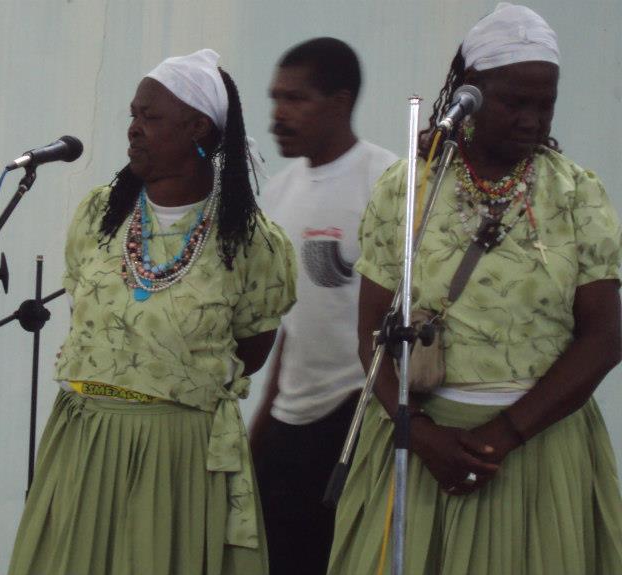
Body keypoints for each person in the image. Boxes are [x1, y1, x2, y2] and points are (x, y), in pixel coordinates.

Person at [328, 4, 622, 574]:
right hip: (420, 448)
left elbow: (604, 338)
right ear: (472, 91)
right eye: (515, 102)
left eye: (545, 103)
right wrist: (420, 435)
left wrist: (504, 435)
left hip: (537, 452)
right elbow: (372, 337)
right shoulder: (408, 188)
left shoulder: (576, 195)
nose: (532, 119)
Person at [7, 49, 297, 575]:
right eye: (133, 115)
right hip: (87, 439)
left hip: (177, 454)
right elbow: (86, 312)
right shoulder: (99, 213)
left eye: (150, 117)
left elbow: (252, 349)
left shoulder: (251, 241)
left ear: (197, 127)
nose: (133, 128)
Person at [249, 37, 397, 575]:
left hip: (360, 418)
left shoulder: (387, 183)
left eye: (295, 99)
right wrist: (262, 426)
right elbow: (289, 324)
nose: (278, 115)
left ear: (339, 102)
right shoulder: (276, 196)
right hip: (288, 425)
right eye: (275, 98)